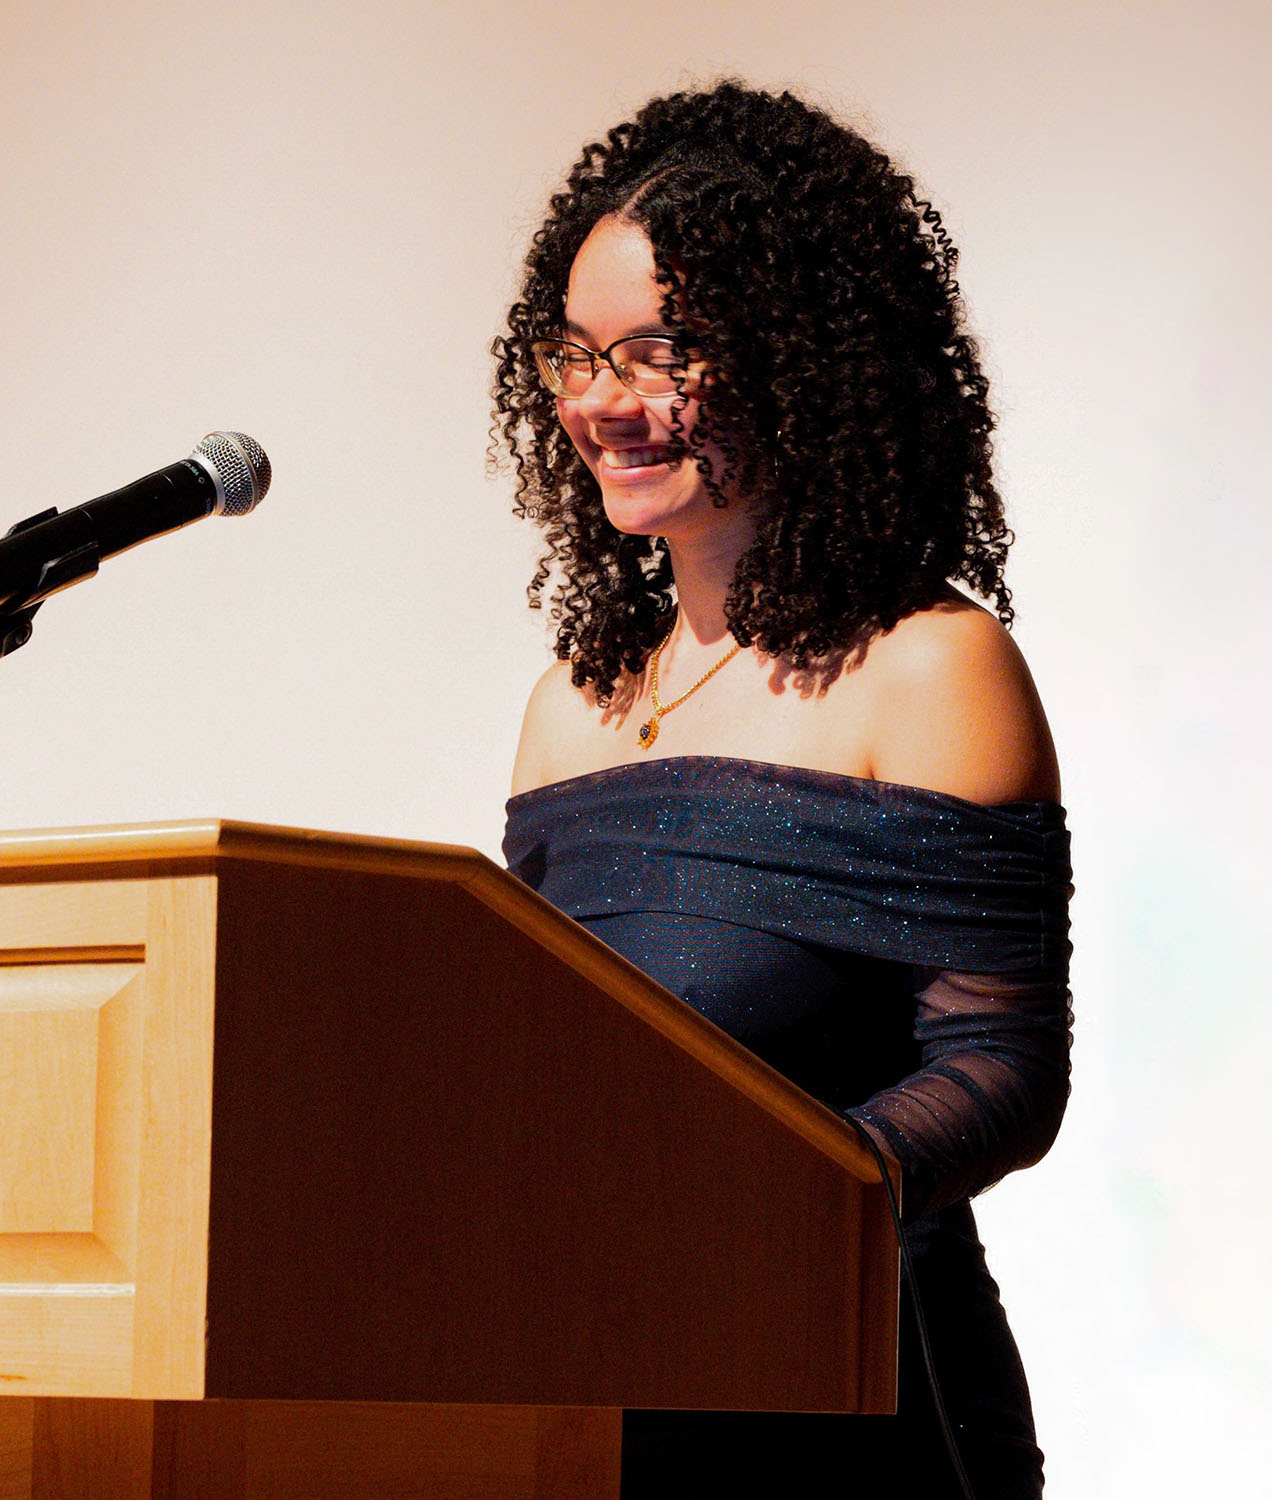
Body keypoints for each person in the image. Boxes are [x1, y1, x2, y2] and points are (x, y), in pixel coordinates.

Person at [493, 83, 1072, 1499]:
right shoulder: (574, 704)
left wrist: (760, 1199)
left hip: (862, 1400)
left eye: (661, 351)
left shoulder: (931, 669)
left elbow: (1004, 1077)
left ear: (804, 360)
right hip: (598, 1396)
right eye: (574, 355)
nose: (602, 402)